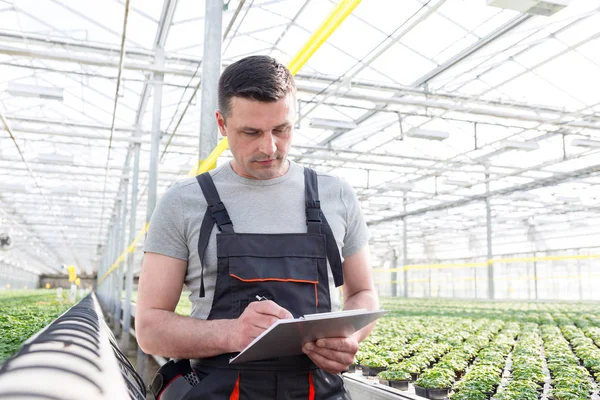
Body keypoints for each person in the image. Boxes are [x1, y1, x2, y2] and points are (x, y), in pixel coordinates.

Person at [136, 55, 378, 399]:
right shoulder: (184, 201)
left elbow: (364, 294)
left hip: (318, 390)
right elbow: (150, 328)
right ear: (222, 124)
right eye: (251, 132)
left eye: (282, 129)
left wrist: (351, 335)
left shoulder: (335, 194)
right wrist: (233, 333)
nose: (269, 147)